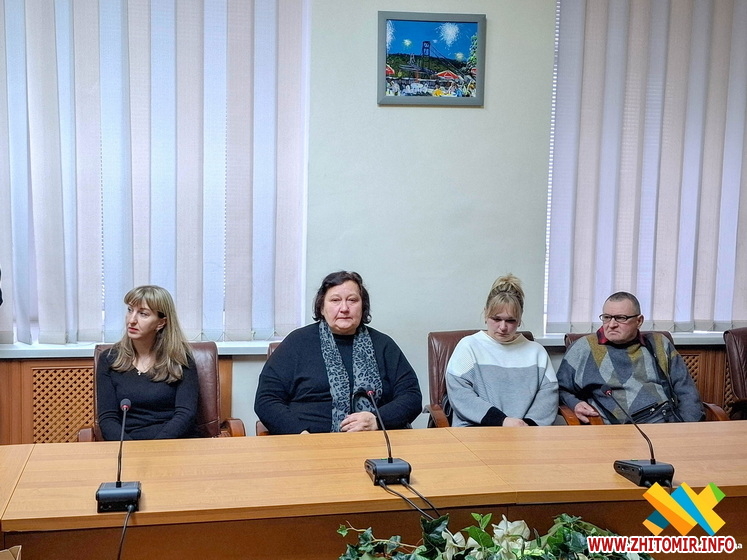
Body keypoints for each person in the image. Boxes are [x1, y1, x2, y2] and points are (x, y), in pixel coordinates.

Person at [254, 271, 422, 434]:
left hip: (377, 441)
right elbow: (266, 400)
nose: (344, 308)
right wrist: (299, 434)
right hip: (309, 443)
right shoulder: (297, 343)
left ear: (363, 306)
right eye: (335, 300)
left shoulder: (383, 345)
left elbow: (411, 397)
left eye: (352, 300)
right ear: (322, 307)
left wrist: (377, 419)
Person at [557, 291, 704, 424]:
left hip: (667, 425)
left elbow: (687, 392)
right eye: (607, 317)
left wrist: (688, 429)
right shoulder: (583, 348)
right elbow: (559, 390)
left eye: (620, 318)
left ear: (639, 321)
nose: (611, 325)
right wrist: (575, 404)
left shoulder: (659, 343)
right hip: (618, 432)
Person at [446, 274, 558, 427]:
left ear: (519, 319)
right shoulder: (468, 346)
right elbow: (460, 395)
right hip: (476, 431)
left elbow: (548, 396)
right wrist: (502, 421)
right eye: (497, 319)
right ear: (486, 314)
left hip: (525, 433)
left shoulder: (537, 352)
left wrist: (525, 426)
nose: (503, 327)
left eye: (510, 320)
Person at [97, 285, 199, 440]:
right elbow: (108, 419)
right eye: (130, 310)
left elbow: (185, 415)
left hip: (174, 442)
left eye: (143, 314)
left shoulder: (180, 359)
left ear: (161, 323)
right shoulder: (109, 359)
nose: (132, 320)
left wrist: (154, 448)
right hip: (128, 444)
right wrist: (131, 449)